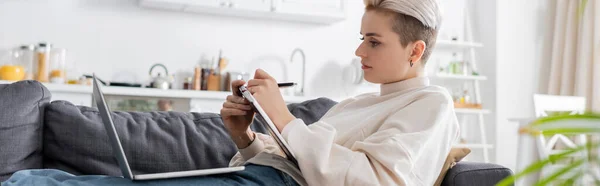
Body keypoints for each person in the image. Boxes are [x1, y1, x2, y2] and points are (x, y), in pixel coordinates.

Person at [2, 0, 459, 185]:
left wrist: (283, 118)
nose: (360, 50)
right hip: (261, 177)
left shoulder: (430, 105)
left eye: (374, 41)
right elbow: (303, 159)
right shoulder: (362, 102)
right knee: (60, 181)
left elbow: (376, 182)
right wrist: (245, 136)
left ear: (415, 50)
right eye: (361, 37)